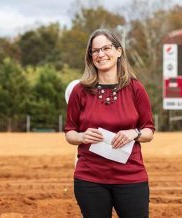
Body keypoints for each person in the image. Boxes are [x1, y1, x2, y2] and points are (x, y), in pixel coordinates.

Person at [64, 28, 155, 218]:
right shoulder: (79, 91)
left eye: (106, 48)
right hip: (90, 179)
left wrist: (134, 133)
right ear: (90, 56)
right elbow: (69, 133)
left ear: (119, 51)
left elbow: (149, 130)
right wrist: (81, 136)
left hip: (131, 177)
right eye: (95, 50)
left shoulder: (135, 88)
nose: (101, 54)